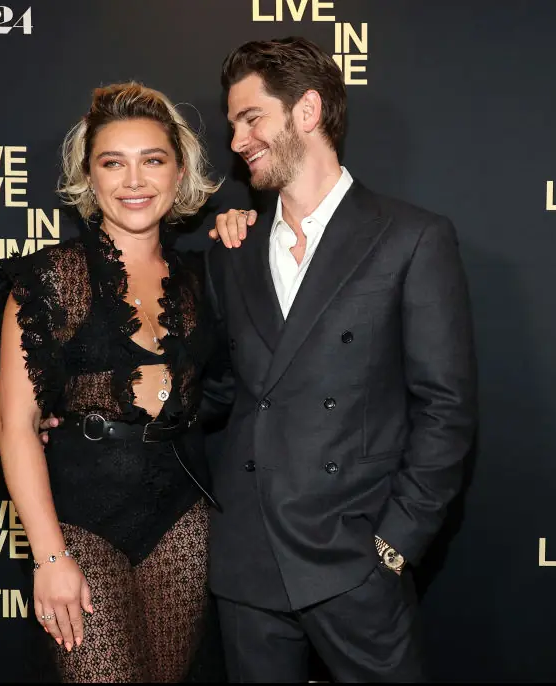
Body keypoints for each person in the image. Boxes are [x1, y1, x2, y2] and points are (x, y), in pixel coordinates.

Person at [199, 37, 479, 682]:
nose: (237, 140)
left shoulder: (410, 237)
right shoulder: (230, 249)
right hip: (248, 559)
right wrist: (102, 410)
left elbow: (446, 406)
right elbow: (219, 389)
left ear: (306, 111)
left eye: (251, 118)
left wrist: (394, 542)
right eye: (234, 123)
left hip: (352, 555)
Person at [0, 81, 228, 683]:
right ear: (88, 178)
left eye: (152, 160)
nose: (134, 181)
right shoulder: (50, 278)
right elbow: (17, 425)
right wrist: (49, 557)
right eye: (112, 163)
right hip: (81, 522)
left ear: (180, 174)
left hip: (184, 521)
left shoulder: (208, 279)